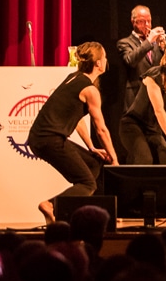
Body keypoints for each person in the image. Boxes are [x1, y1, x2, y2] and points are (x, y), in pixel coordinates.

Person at [28, 42, 119, 224]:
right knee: (88, 183)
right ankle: (51, 205)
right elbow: (101, 129)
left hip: (41, 138)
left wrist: (91, 147)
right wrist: (115, 160)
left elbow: (77, 118)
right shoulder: (90, 90)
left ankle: (79, 216)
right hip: (50, 139)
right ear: (98, 63)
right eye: (105, 57)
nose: (106, 60)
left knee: (93, 164)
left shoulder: (74, 77)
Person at [118, 38, 166, 165]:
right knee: (145, 159)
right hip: (133, 126)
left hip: (153, 130)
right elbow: (159, 111)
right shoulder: (154, 75)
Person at [117, 5, 166, 111]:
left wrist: (163, 48)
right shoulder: (124, 43)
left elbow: (164, 67)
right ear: (133, 22)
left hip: (156, 96)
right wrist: (149, 41)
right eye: (142, 21)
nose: (147, 25)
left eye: (149, 21)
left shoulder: (155, 43)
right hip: (136, 96)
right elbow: (130, 61)